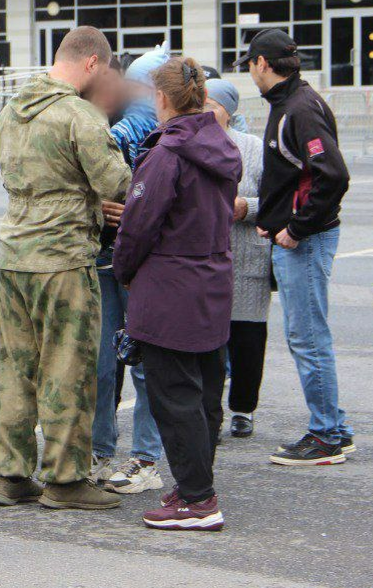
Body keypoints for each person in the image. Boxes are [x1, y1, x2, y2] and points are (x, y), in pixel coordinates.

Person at [0, 26, 129, 511]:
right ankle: (66, 479)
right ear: (92, 64)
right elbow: (116, 182)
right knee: (68, 366)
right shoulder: (79, 115)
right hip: (64, 256)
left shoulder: (10, 110)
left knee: (14, 367)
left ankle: (11, 474)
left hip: (15, 253)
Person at [114, 58, 240, 531]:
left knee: (174, 395)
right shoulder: (221, 146)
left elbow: (137, 224)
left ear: (161, 98)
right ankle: (194, 484)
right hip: (211, 281)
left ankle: (198, 499)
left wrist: (126, 270)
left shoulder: (167, 154)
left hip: (168, 288)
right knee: (204, 392)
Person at [237, 29, 354, 466]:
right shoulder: (292, 103)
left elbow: (333, 175)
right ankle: (335, 427)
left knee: (307, 338)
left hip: (305, 240)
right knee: (307, 335)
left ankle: (325, 436)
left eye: (250, 63)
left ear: (262, 64)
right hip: (297, 236)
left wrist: (296, 228)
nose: (250, 71)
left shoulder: (300, 108)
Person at [88, 45, 168, 495]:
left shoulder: (146, 118)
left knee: (142, 363)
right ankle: (101, 453)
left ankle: (145, 458)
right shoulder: (96, 114)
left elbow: (117, 145)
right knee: (101, 364)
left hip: (142, 262)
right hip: (103, 257)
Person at [205, 78, 272, 439]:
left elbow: (277, 202)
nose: (204, 111)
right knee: (209, 344)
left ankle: (244, 408)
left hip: (248, 259)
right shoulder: (193, 146)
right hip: (206, 261)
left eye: (211, 104)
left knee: (247, 342)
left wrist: (246, 208)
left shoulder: (254, 149)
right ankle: (210, 412)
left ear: (229, 111)